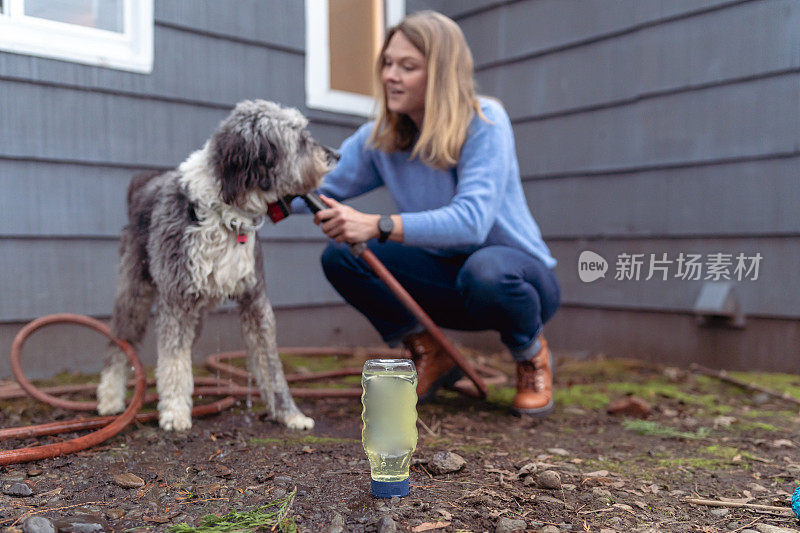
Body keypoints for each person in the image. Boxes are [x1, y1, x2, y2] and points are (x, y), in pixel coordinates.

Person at [303, 10, 561, 417]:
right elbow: (313, 184)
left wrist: (376, 224)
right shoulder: (382, 137)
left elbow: (471, 223)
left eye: (408, 67)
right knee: (341, 256)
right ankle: (430, 351)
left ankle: (531, 355)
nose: (390, 75)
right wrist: (250, 191)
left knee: (486, 271)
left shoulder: (484, 122)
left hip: (516, 280)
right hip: (446, 282)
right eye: (387, 63)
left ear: (440, 73)